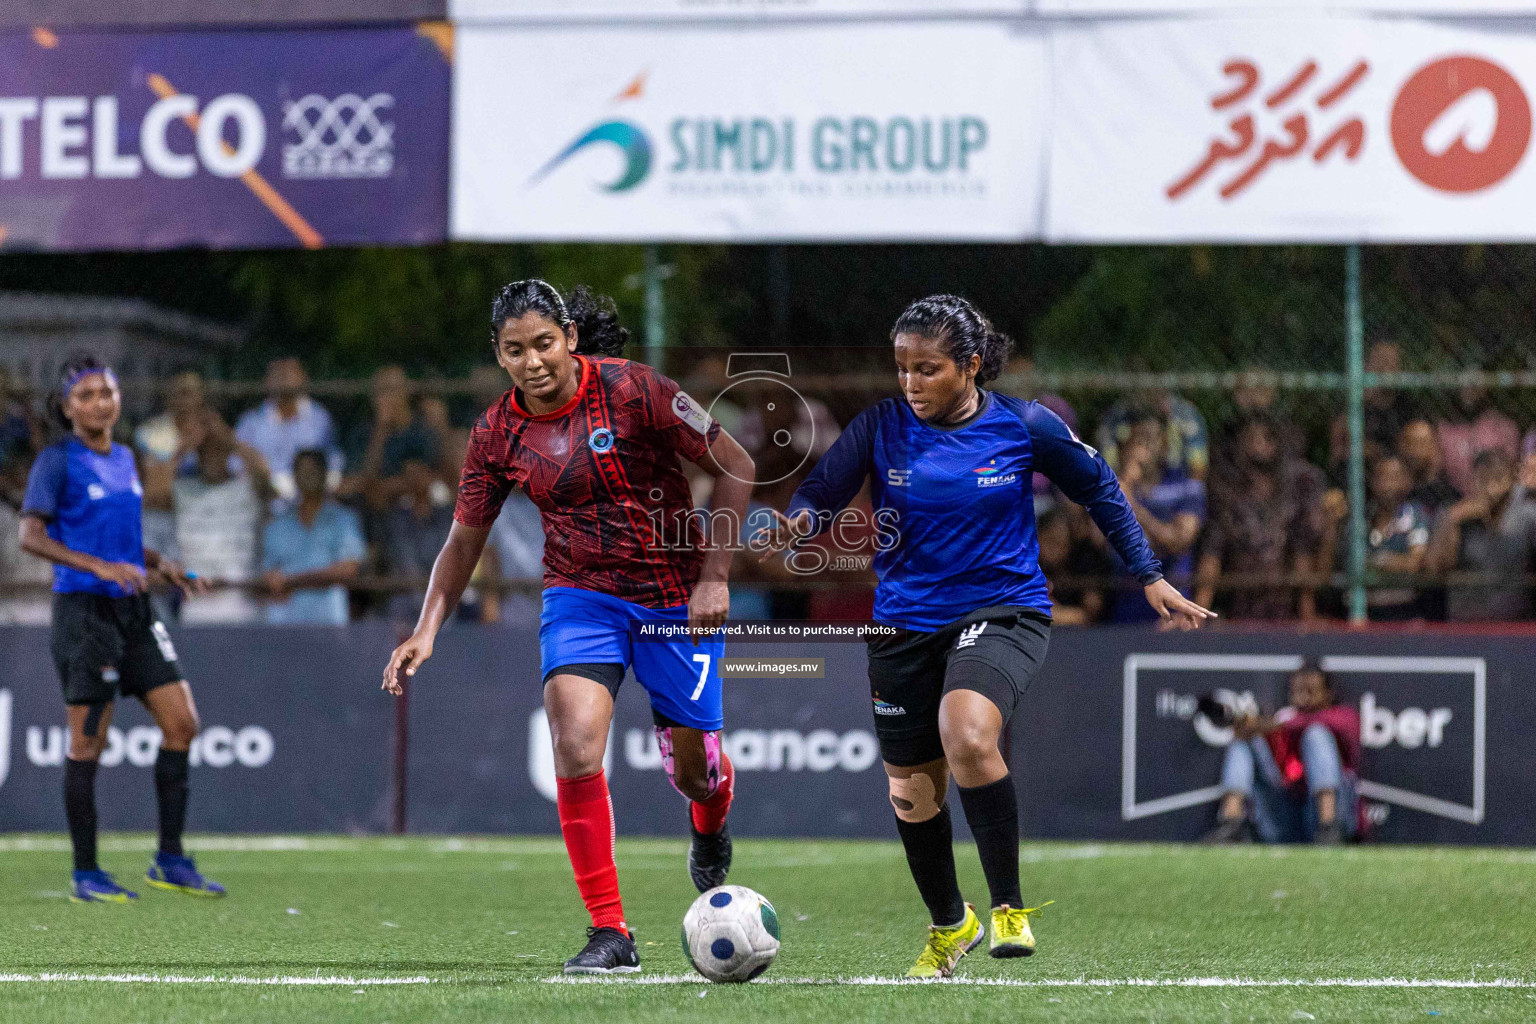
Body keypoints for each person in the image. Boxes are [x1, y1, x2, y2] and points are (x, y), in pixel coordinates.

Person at [759, 294, 1212, 978]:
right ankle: (950, 925)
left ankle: (1008, 909)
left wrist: (1147, 573)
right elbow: (822, 491)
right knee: (912, 794)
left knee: (968, 733)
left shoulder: (1027, 426)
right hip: (901, 624)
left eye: (928, 369)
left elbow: (1100, 488)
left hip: (1001, 611)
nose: (910, 383)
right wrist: (794, 523)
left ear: (970, 366)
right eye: (902, 368)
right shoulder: (881, 426)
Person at [381, 281, 755, 976]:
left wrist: (715, 575)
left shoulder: (637, 390)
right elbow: (465, 539)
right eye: (514, 350)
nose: (533, 361)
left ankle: (711, 820)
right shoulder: (496, 433)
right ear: (499, 356)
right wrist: (427, 628)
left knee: (699, 773)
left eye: (544, 343)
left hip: (674, 596)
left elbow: (737, 465)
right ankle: (611, 931)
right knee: (576, 740)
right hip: (582, 595)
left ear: (571, 339)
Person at [18, 353, 224, 903]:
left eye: (105, 392)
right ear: (67, 407)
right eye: (84, 396)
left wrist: (162, 565)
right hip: (85, 616)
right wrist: (99, 567)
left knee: (182, 724)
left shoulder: (127, 457)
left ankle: (170, 859)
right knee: (88, 746)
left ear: (117, 400)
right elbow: (30, 536)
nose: (97, 403)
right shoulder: (57, 462)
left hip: (134, 613)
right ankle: (86, 872)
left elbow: (121, 540)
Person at [1204, 664, 1361, 845]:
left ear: (1327, 694)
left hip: (1326, 817)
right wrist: (1249, 727)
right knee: (1246, 741)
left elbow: (1308, 724)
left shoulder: (1343, 716)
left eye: (1310, 691)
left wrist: (1273, 725)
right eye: (1297, 691)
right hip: (1285, 818)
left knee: (1316, 735)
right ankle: (1231, 824)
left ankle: (1329, 828)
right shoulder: (1282, 718)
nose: (1302, 697)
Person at [1197, 413, 1327, 620]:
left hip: (1284, 607)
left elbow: (1302, 553)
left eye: (1266, 438)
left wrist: (1306, 615)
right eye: (1252, 438)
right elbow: (1212, 554)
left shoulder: (1293, 493)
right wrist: (1199, 611)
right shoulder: (1228, 494)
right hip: (1239, 604)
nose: (1259, 445)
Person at [173, 408, 271, 624]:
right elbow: (153, 486)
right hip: (196, 603)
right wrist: (188, 443)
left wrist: (225, 435)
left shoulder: (246, 488)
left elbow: (265, 474)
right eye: (205, 450)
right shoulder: (183, 490)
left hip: (241, 601)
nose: (212, 455)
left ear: (228, 452)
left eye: (218, 449)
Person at [1110, 417, 1205, 623]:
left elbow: (1179, 540)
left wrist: (1132, 505)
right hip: (1123, 612)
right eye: (1137, 439)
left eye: (1151, 439)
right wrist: (1123, 486)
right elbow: (1097, 538)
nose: (1144, 447)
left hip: (1174, 614)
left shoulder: (1187, 486)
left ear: (1165, 444)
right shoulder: (1116, 487)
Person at [259, 448, 365, 625]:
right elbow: (268, 573)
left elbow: (349, 569)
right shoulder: (277, 524)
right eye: (302, 471)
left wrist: (293, 580)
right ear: (294, 476)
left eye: (313, 471)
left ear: (324, 474)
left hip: (329, 621)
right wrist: (274, 580)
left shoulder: (343, 519)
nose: (307, 476)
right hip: (285, 622)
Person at [1431, 448, 1536, 621]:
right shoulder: (1453, 513)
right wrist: (1453, 521)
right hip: (1466, 626)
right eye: (1483, 479)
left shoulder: (1528, 515)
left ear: (1512, 480)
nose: (1491, 488)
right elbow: (1435, 568)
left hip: (1515, 626)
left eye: (1499, 478)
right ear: (1472, 480)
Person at [235, 357, 342, 503]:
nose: (284, 376)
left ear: (304, 378)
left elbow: (334, 464)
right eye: (277, 371)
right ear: (266, 380)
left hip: (311, 504)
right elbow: (235, 466)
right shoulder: (249, 422)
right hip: (263, 505)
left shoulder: (321, 419)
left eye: (290, 371)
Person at [1363, 454, 1430, 622]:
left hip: (1404, 610)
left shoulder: (1415, 514)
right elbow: (1351, 564)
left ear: (1407, 481)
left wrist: (1378, 561)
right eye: (1382, 477)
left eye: (1395, 477)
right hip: (1363, 610)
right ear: (1372, 482)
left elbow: (1415, 562)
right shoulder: (1360, 518)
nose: (1388, 485)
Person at [1437, 384, 1518, 497]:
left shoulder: (1503, 427)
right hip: (1452, 497)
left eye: (1475, 385)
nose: (1470, 390)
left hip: (1495, 498)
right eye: (1465, 384)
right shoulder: (1444, 429)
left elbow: (1510, 470)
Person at [1397, 419, 1460, 522]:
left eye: (1422, 444)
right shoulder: (1392, 495)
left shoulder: (1449, 497)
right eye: (1410, 443)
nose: (1415, 451)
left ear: (1435, 447)